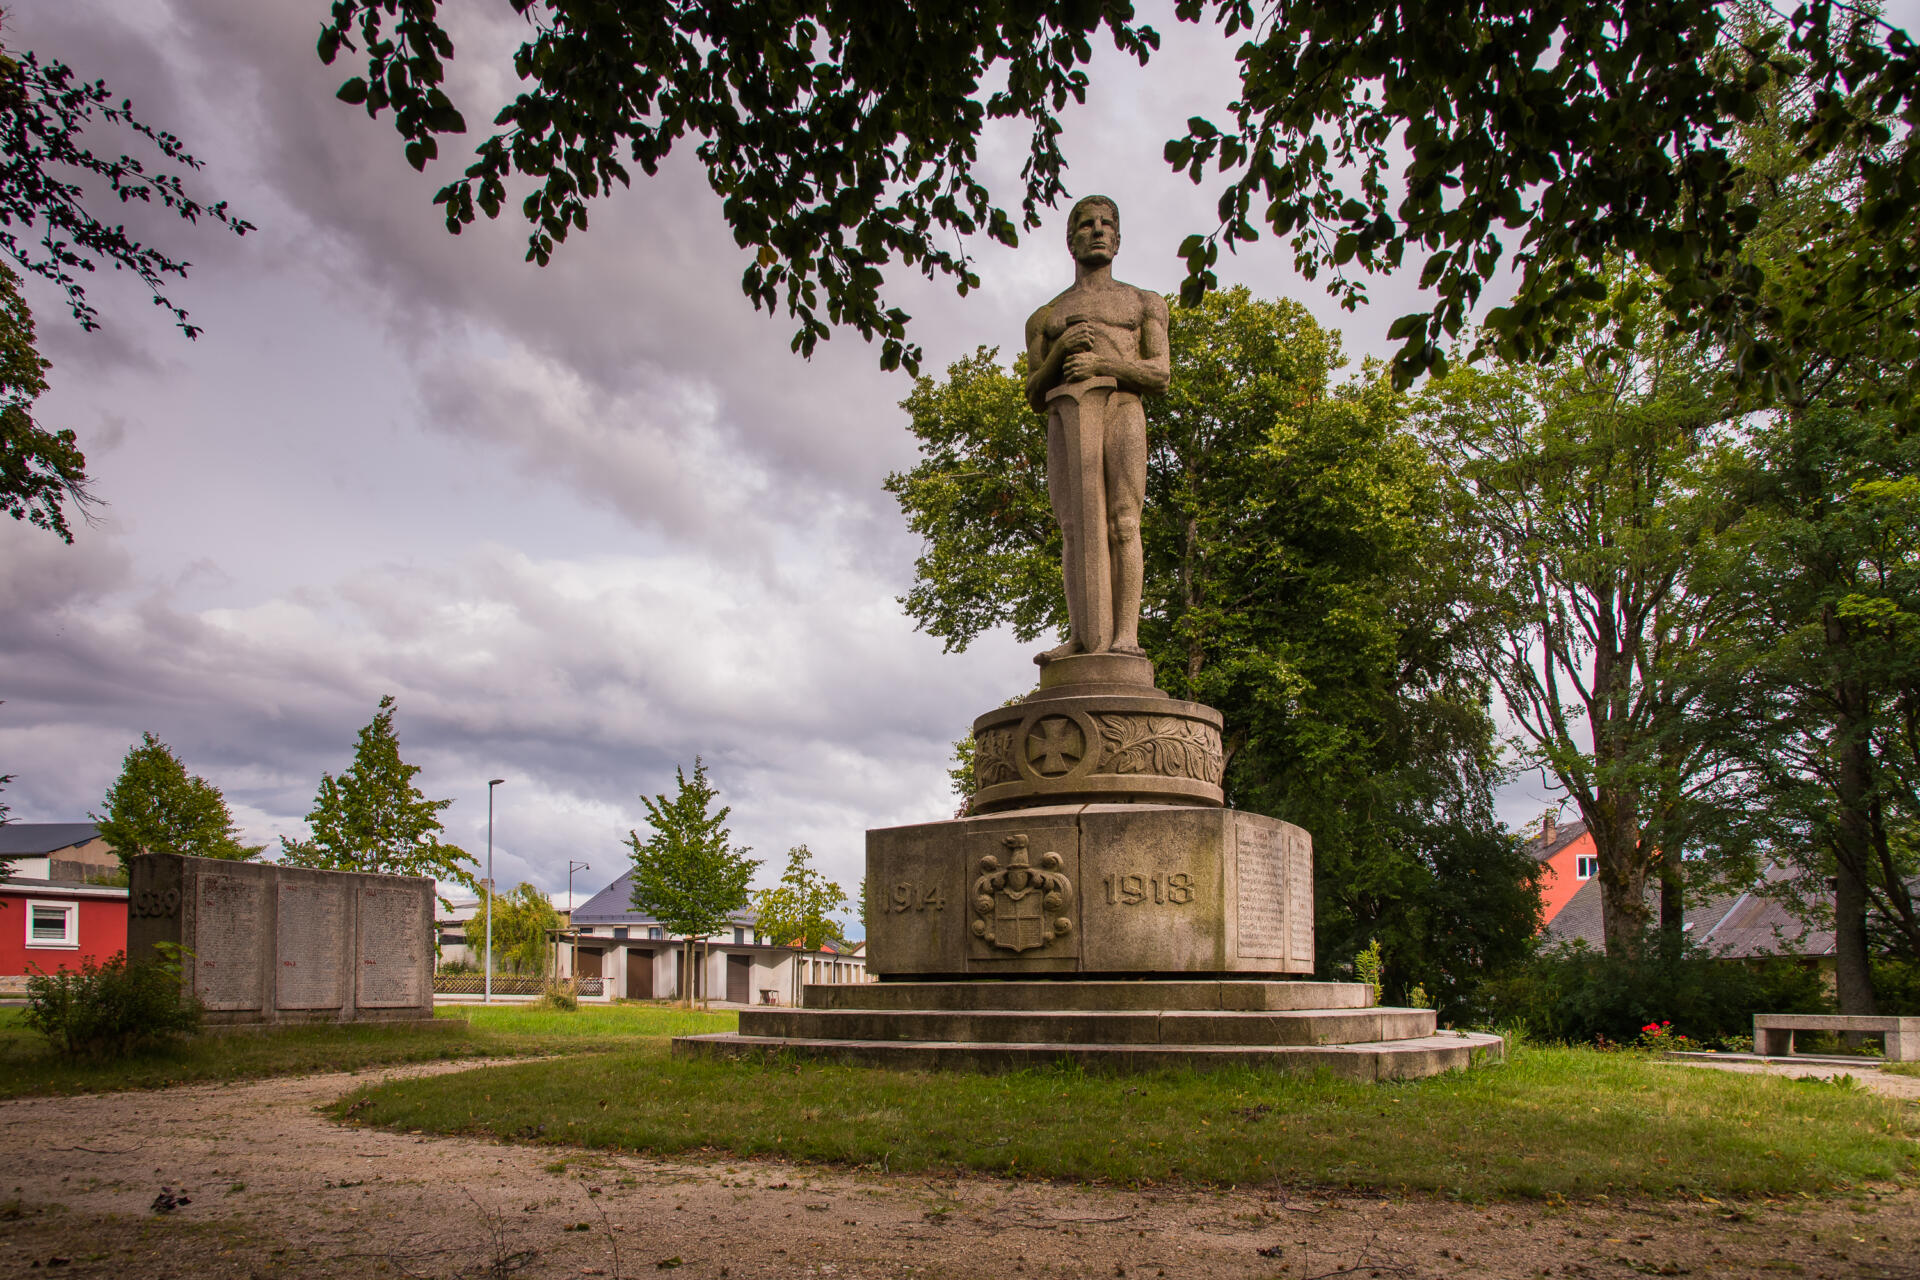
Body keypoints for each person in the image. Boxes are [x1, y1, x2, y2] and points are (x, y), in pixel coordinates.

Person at [1023, 195, 1170, 664]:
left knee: (1123, 522)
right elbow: (1032, 390)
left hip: (1122, 410)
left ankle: (1125, 634)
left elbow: (1160, 374)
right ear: (1071, 240)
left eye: (1108, 224)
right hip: (1066, 418)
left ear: (1119, 238)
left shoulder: (1144, 302)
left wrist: (1106, 362)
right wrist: (1060, 348)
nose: (1098, 231)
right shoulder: (1045, 317)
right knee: (1071, 528)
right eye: (1087, 225)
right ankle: (1083, 637)